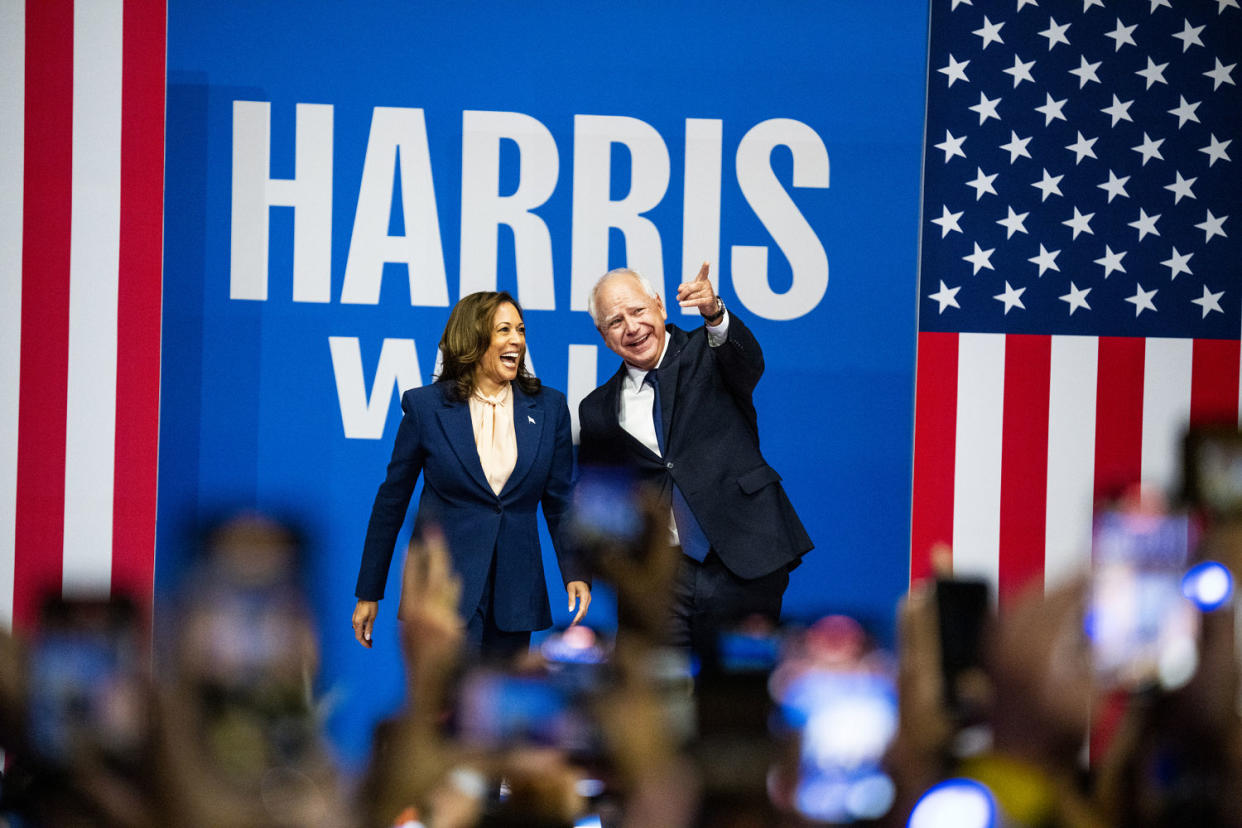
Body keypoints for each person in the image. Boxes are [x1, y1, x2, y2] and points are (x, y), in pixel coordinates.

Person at [577, 264, 811, 651]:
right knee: (664, 694)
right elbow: (603, 503)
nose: (632, 328)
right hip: (663, 577)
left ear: (660, 306)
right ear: (603, 336)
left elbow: (749, 361)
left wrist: (715, 313)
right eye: (616, 321)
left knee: (740, 691)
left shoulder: (710, 351)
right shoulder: (597, 408)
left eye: (637, 311)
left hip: (743, 557)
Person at [353, 291, 591, 659]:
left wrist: (575, 571)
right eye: (504, 330)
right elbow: (392, 502)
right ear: (472, 339)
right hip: (445, 592)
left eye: (521, 330)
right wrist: (370, 590)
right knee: (445, 708)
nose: (517, 340)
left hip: (515, 593)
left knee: (504, 709)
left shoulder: (549, 407)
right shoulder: (426, 407)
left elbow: (559, 501)